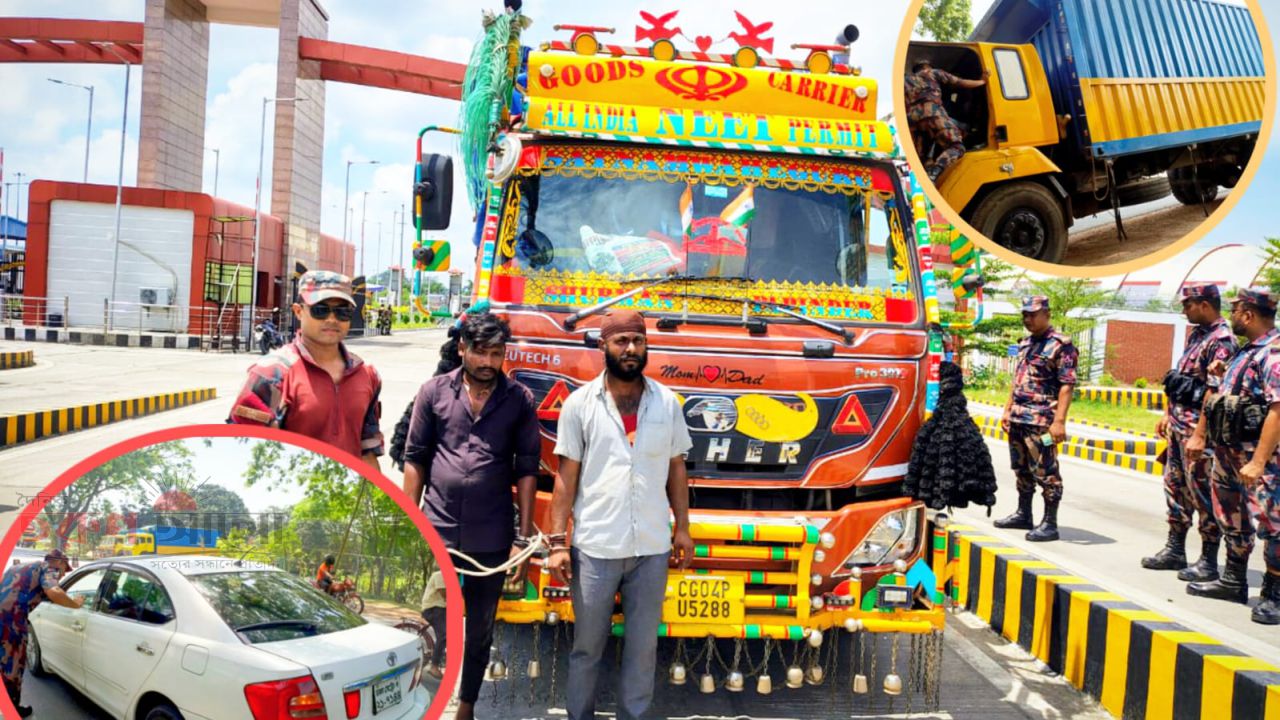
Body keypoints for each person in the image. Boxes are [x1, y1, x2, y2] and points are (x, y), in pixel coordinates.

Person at [546, 309, 694, 720]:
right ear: (603, 346)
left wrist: (682, 529)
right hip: (595, 547)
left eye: (638, 341)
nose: (631, 349)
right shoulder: (580, 405)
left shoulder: (666, 403)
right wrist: (558, 544)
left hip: (651, 548)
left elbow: (676, 468)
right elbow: (565, 478)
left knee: (642, 649)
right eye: (621, 341)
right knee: (587, 647)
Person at [402, 312, 540, 720]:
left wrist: (523, 536)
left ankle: (466, 705)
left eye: (496, 354)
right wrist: (411, 520)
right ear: (462, 348)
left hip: (492, 533)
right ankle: (424, 691)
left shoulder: (518, 400)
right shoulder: (433, 393)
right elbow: (415, 459)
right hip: (438, 528)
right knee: (432, 616)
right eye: (479, 352)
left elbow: (527, 469)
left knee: (480, 627)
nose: (487, 362)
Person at [1186, 288, 1280, 624]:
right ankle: (1233, 580)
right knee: (1231, 515)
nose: (1233, 314)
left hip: (1260, 458)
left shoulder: (1274, 353)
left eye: (1237, 309)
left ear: (1249, 315)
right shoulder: (1245, 352)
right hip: (1228, 452)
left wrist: (1257, 462)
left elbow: (1277, 410)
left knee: (1274, 524)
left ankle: (1274, 594)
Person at [228, 270, 384, 469]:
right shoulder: (272, 373)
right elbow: (243, 450)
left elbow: (367, 449)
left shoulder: (366, 375)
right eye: (320, 309)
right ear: (298, 310)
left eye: (342, 311)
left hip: (347, 498)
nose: (332, 319)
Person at [1142, 284, 1236, 578]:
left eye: (1188, 305)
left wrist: (1200, 433)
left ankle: (1208, 559)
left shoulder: (1222, 340)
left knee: (1203, 494)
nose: (1184, 311)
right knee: (1175, 487)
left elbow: (1213, 391)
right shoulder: (1198, 335)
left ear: (1205, 305)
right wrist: (1168, 414)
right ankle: (1175, 549)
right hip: (1178, 428)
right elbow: (1181, 380)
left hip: (1198, 432)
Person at [996, 296, 1078, 542]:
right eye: (1025, 315)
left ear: (1047, 313)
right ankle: (1024, 513)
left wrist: (1059, 422)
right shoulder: (1025, 343)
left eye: (1033, 314)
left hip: (1042, 420)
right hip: (1019, 417)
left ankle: (1050, 523)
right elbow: (1017, 378)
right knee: (1021, 468)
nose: (1027, 319)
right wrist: (1007, 409)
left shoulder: (1061, 345)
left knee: (1046, 470)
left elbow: (1067, 385)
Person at [0, 550, 84, 717]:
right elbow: (54, 592)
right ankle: (13, 710)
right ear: (59, 562)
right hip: (11, 623)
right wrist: (75, 604)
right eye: (63, 570)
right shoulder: (49, 568)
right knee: (13, 668)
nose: (60, 575)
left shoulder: (19, 568)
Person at [904, 59, 989, 182]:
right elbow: (960, 82)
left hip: (913, 121)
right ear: (927, 66)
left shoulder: (906, 81)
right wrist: (982, 81)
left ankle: (924, 174)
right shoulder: (932, 72)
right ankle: (934, 171)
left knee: (920, 157)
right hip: (932, 113)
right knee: (957, 147)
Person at [420, 570, 448, 679]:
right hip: (433, 609)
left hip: (441, 609)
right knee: (444, 635)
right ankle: (434, 666)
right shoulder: (440, 574)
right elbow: (444, 593)